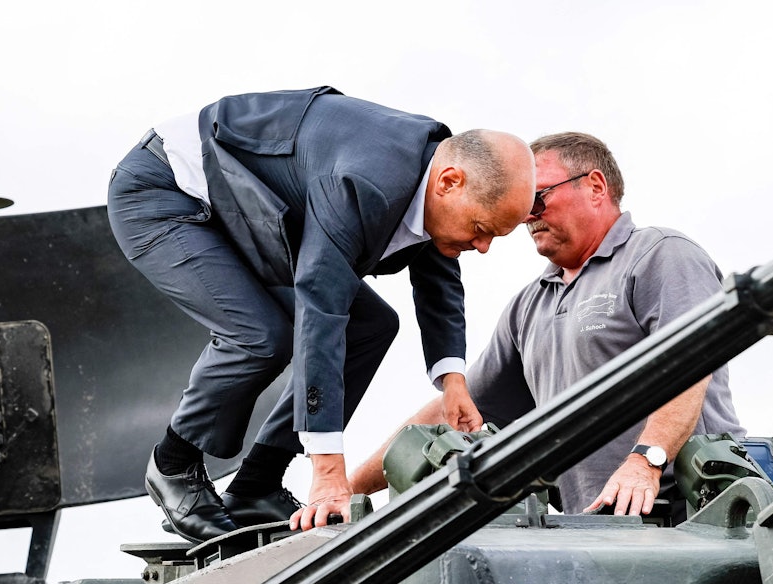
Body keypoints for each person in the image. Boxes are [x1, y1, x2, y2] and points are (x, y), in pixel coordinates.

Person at [107, 86, 535, 543]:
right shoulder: (364, 184)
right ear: (449, 182)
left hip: (247, 205)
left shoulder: (434, 171)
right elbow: (322, 309)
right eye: (481, 229)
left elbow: (439, 278)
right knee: (260, 337)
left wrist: (452, 383)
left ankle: (257, 486)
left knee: (372, 325)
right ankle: (173, 464)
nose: (483, 247)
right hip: (167, 191)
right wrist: (329, 472)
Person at [292, 131, 744, 531]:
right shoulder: (529, 307)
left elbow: (690, 362)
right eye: (525, 206)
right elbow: (454, 412)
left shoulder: (659, 255)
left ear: (595, 186)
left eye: (539, 198)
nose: (528, 216)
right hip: (596, 531)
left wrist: (647, 460)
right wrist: (346, 490)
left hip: (696, 517)